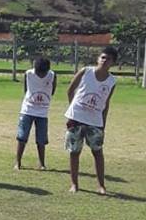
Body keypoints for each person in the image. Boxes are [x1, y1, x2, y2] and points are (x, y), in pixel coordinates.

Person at [65, 47, 118, 195]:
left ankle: (101, 185)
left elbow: (106, 103)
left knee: (97, 152)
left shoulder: (112, 81)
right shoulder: (86, 71)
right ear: (98, 59)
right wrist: (73, 111)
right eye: (102, 57)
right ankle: (74, 184)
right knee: (74, 151)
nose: (104, 60)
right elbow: (70, 90)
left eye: (108, 59)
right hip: (76, 118)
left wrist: (103, 123)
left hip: (95, 121)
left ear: (113, 62)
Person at [15, 57, 56, 171]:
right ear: (35, 69)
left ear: (48, 70)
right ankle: (18, 162)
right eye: (39, 73)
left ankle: (42, 163)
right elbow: (26, 90)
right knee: (22, 137)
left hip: (43, 112)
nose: (41, 75)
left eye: (43, 73)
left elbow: (52, 90)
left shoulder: (52, 75)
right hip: (27, 110)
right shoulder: (29, 74)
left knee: (41, 139)